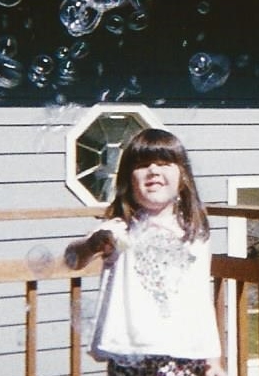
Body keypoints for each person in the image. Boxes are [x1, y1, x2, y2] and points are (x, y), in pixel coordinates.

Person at [64, 128, 225, 376]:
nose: (153, 170)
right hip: (131, 356)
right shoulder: (118, 229)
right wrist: (91, 245)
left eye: (164, 163)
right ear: (128, 180)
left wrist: (213, 359)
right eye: (142, 165)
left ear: (183, 177)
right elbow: (72, 259)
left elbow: (200, 297)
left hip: (184, 354)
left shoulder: (194, 233)